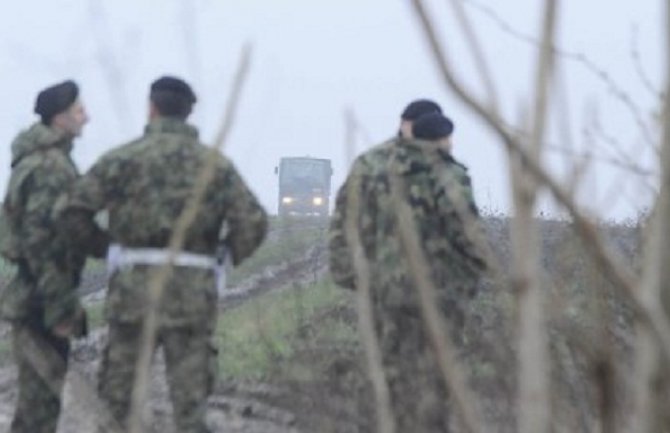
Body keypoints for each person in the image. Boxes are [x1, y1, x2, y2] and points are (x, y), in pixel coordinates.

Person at [56, 76, 268, 432]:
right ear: (188, 115)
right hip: (192, 292)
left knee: (118, 399)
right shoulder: (214, 166)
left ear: (151, 109)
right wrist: (225, 257)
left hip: (134, 292)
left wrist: (107, 248)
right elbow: (254, 222)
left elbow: (71, 212)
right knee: (190, 400)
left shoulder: (123, 159)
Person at [329, 112, 486, 432]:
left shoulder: (376, 169)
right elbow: (469, 237)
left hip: (386, 290)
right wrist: (471, 280)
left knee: (391, 372)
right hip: (440, 294)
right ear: (439, 139)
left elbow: (346, 221)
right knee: (438, 374)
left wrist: (349, 274)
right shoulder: (448, 175)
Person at [0, 80, 91, 433]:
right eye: (79, 111)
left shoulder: (44, 161)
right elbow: (41, 242)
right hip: (40, 301)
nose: (87, 118)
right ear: (59, 118)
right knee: (39, 412)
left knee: (39, 407)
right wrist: (57, 308)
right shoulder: (50, 168)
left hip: (36, 297)